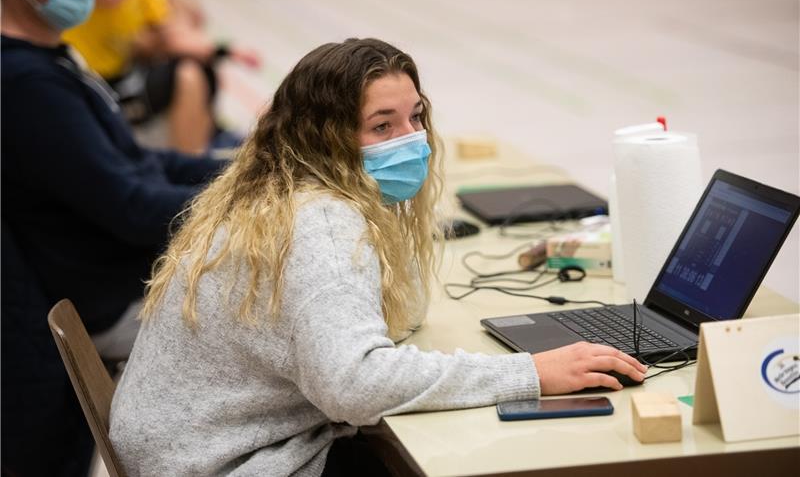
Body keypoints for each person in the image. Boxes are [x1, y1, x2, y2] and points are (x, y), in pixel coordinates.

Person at [108, 37, 647, 476]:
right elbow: (354, 386)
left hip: (188, 450)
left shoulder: (275, 190)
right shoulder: (320, 221)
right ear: (326, 140)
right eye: (381, 126)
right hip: (223, 465)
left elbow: (399, 317)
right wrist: (530, 372)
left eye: (415, 117)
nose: (411, 140)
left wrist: (391, 218)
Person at [0, 0, 227, 474]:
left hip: (128, 276)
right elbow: (133, 209)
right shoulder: (24, 83)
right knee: (287, 318)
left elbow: (139, 165)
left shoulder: (47, 60)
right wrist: (248, 204)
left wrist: (242, 169)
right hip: (116, 299)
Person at [62, 0, 260, 155]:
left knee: (196, 65)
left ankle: (203, 148)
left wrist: (226, 51)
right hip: (88, 85)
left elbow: (172, 37)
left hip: (123, 80)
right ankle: (189, 163)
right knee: (187, 74)